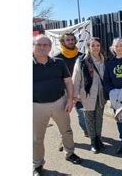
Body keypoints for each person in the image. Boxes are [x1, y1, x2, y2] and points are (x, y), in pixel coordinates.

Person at [33, 35, 82, 176]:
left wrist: (70, 100)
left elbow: (68, 81)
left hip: (59, 102)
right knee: (37, 138)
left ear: (50, 47)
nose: (42, 47)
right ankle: (37, 165)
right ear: (33, 45)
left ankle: (70, 153)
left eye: (46, 45)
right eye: (39, 44)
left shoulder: (58, 62)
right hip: (36, 106)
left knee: (66, 131)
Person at [72, 37, 106, 154]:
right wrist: (75, 95)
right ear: (88, 47)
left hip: (101, 94)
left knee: (99, 117)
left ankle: (99, 139)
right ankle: (93, 142)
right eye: (93, 45)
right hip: (87, 93)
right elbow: (76, 78)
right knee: (89, 118)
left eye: (97, 45)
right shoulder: (82, 60)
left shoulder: (104, 59)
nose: (95, 47)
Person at [55, 32, 88, 153]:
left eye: (72, 40)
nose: (70, 42)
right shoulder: (57, 58)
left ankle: (86, 130)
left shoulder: (82, 56)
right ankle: (64, 139)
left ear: (75, 41)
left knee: (82, 114)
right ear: (63, 42)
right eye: (67, 40)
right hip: (63, 92)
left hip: (79, 91)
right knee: (63, 118)